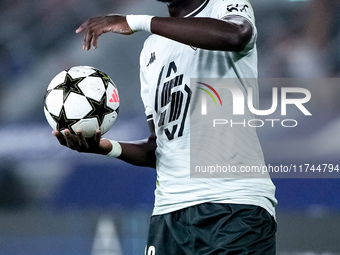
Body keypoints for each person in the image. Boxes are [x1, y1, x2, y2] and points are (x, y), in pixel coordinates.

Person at [53, 0, 277, 254]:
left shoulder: (224, 6)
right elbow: (158, 148)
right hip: (169, 216)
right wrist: (106, 147)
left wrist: (136, 21)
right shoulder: (152, 48)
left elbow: (237, 35)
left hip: (233, 207)